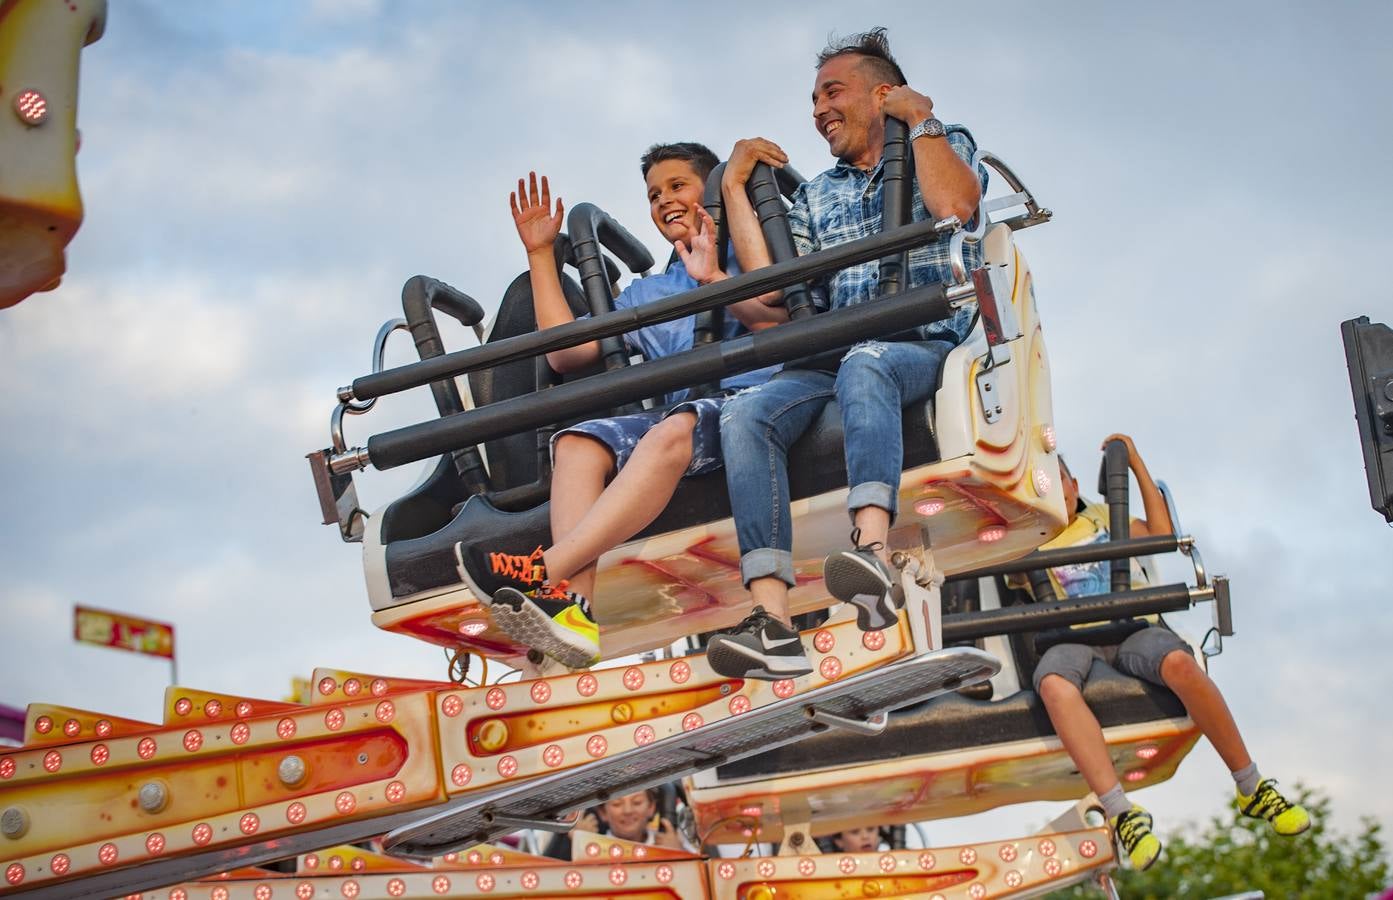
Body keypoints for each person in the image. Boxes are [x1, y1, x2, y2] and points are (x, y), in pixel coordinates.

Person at [705, 27, 985, 679]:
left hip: (918, 343)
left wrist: (919, 116)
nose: (817, 109)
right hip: (828, 355)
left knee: (867, 361)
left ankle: (873, 553)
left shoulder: (936, 140)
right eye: (811, 98)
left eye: (832, 91)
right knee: (745, 415)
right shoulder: (815, 193)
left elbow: (953, 205)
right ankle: (771, 622)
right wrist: (733, 191)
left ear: (880, 93)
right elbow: (766, 296)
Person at [489, 145, 784, 669]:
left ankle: (543, 570)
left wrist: (713, 275)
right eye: (654, 195)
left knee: (673, 430)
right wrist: (540, 255)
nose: (665, 201)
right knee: (579, 441)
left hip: (751, 405)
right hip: (682, 416)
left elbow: (778, 321)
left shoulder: (753, 250)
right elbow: (568, 353)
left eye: (678, 186)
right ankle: (573, 611)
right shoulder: (651, 291)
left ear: (711, 189)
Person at [1027, 434, 1310, 871]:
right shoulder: (1023, 537)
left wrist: (1135, 461)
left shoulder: (1102, 516)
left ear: (1072, 483)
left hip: (1132, 625)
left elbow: (1162, 533)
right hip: (1071, 639)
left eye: (1058, 479)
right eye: (1041, 483)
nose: (1053, 489)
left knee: (1181, 662)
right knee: (1052, 683)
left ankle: (1251, 785)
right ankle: (1121, 812)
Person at [542, 788, 683, 860]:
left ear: (651, 808)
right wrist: (583, 844)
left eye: (637, 802)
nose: (628, 811)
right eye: (617, 804)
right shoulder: (590, 845)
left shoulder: (672, 843)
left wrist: (679, 855)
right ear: (603, 813)